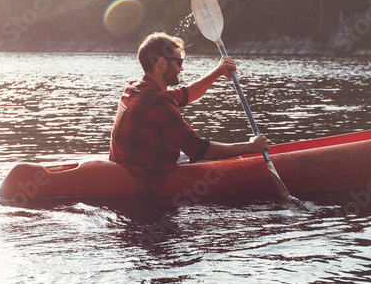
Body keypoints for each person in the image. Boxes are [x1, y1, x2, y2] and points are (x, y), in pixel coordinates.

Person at [109, 32, 268, 188]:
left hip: (135, 162)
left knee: (231, 156)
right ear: (162, 62)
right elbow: (198, 149)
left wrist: (218, 71)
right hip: (146, 173)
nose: (182, 68)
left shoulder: (135, 87)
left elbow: (186, 94)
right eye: (179, 62)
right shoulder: (158, 102)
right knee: (233, 160)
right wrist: (250, 146)